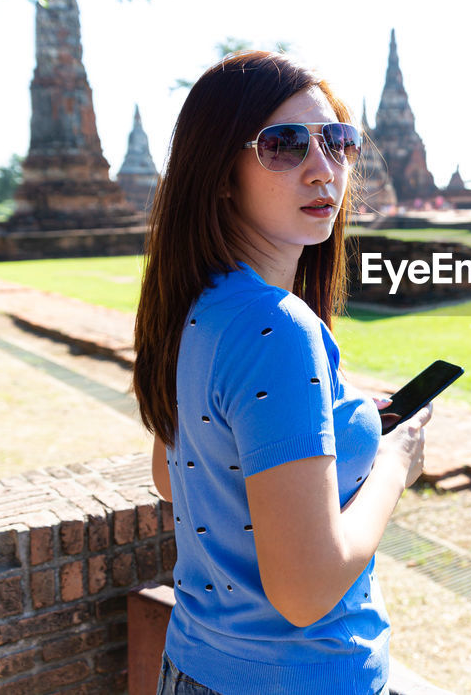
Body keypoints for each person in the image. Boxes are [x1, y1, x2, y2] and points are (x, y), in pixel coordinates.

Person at [133, 50, 434, 694]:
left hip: (194, 664)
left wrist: (336, 423)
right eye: (285, 145)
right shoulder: (279, 330)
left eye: (339, 142)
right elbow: (305, 592)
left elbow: (170, 474)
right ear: (220, 173)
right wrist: (396, 461)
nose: (324, 169)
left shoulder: (198, 307)